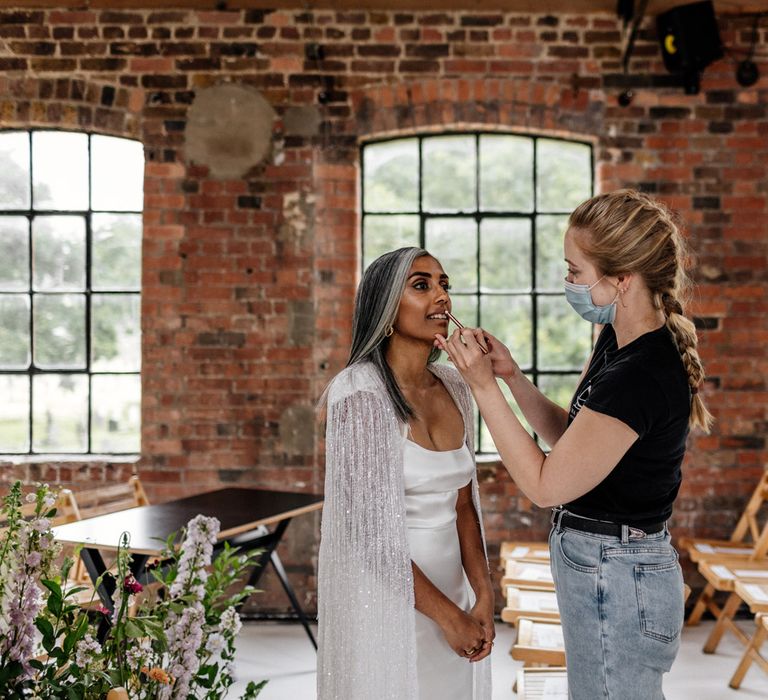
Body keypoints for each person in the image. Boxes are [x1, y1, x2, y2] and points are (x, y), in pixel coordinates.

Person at [435, 189, 713, 700]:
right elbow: (575, 441)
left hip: (619, 573)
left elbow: (546, 485)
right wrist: (512, 376)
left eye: (575, 272)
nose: (568, 283)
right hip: (603, 563)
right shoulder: (617, 339)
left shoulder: (642, 375)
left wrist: (481, 387)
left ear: (621, 279)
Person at [317, 247, 494, 700]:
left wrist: (482, 597)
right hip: (389, 597)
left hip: (453, 589)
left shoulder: (456, 386)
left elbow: (463, 508)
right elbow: (366, 533)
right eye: (422, 285)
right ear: (386, 308)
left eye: (444, 285)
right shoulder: (358, 394)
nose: (441, 297)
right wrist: (449, 618)